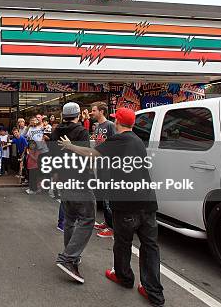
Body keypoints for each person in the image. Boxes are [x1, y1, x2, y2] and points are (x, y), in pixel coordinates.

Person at [59, 108, 164, 306]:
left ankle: (124, 277)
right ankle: (154, 292)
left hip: (126, 204)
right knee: (150, 246)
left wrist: (70, 146)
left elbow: (92, 153)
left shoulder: (120, 140)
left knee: (123, 243)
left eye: (115, 120)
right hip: (148, 202)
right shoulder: (137, 140)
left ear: (118, 123)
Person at [52, 102, 93, 284]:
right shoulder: (81, 131)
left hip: (63, 178)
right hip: (80, 179)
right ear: (78, 114)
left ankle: (72, 255)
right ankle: (69, 257)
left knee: (69, 219)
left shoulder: (55, 131)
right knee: (87, 219)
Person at [90, 101, 117, 238]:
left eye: (94, 110)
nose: (91, 112)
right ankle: (107, 222)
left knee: (108, 197)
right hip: (100, 164)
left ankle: (112, 227)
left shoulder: (110, 125)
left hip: (108, 166)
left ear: (101, 111)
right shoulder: (97, 127)